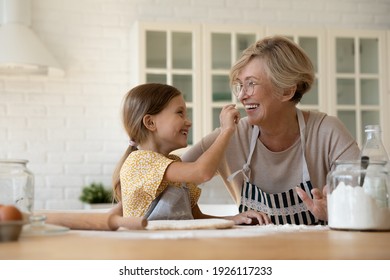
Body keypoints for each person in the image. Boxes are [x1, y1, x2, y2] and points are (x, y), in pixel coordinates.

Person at [181, 35, 361, 225]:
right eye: (240, 85)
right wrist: (224, 219)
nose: (242, 95)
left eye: (251, 83)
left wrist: (334, 212)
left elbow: (373, 199)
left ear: (286, 91)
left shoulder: (327, 131)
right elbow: (167, 181)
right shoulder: (231, 134)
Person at [111, 83, 241, 221]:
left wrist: (234, 219)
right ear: (150, 122)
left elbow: (196, 217)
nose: (188, 122)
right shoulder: (139, 161)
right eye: (180, 113)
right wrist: (226, 130)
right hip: (149, 242)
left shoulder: (173, 163)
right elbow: (202, 172)